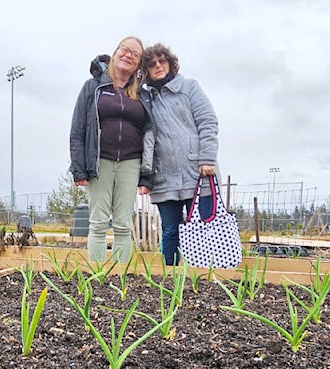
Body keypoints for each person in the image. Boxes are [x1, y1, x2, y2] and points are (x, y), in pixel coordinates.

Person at [69, 36, 154, 263]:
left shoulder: (142, 95)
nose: (128, 55)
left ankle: (120, 280)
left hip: (130, 163)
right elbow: (78, 129)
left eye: (134, 54)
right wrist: (79, 169)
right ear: (115, 53)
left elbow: (149, 134)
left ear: (138, 65)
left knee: (123, 225)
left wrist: (147, 175)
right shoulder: (93, 87)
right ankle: (97, 277)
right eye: (125, 50)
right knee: (97, 223)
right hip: (99, 162)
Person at [141, 43, 219, 266]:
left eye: (161, 61)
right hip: (164, 178)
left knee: (203, 230)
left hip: (197, 172)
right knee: (170, 233)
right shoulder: (146, 99)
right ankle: (170, 282)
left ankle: (204, 279)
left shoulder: (189, 87)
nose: (157, 66)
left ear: (170, 63)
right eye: (151, 64)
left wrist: (207, 158)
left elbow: (207, 121)